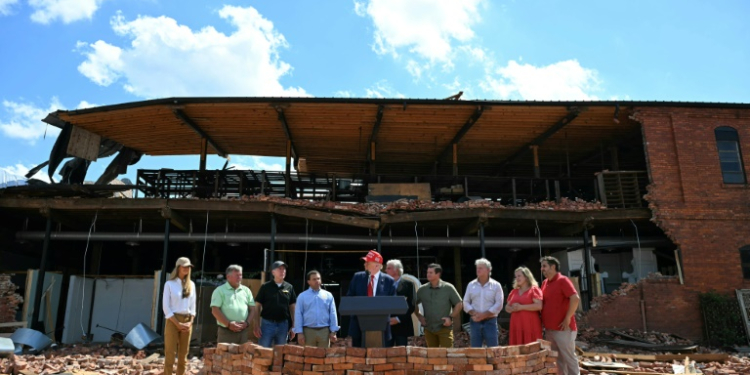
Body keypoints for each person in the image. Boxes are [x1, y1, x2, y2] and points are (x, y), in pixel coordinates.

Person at [347, 250, 396, 347]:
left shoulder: (388, 281)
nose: (365, 264)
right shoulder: (358, 277)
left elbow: (393, 302)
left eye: (367, 262)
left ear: (377, 265)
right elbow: (349, 298)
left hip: (381, 327)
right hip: (358, 325)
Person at [540, 256, 581, 375]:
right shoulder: (545, 283)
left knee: (569, 358)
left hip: (563, 329)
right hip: (550, 329)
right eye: (542, 266)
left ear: (553, 267)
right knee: (558, 360)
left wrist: (568, 317)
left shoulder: (563, 280)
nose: (542, 269)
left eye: (544, 266)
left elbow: (575, 298)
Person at [414, 264, 462, 348]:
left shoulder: (448, 288)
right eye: (427, 272)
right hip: (429, 328)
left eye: (431, 272)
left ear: (438, 274)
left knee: (447, 355)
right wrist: (419, 316)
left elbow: (459, 303)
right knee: (432, 356)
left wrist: (450, 317)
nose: (428, 274)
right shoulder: (422, 289)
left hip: (444, 327)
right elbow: (413, 303)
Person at [162, 257, 196, 375]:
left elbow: (193, 306)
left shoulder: (191, 284)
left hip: (187, 320)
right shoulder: (169, 284)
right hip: (172, 320)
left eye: (188, 267)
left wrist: (190, 322)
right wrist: (177, 323)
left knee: (183, 356)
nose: (187, 268)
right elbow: (166, 307)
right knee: (170, 354)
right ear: (178, 268)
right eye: (184, 266)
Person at [253, 261, 297, 348]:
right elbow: (257, 306)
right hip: (267, 325)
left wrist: (294, 325)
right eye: (279, 269)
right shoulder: (265, 287)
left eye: (284, 269)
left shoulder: (289, 287)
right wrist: (256, 325)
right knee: (263, 352)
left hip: (283, 325)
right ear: (273, 272)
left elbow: (292, 307)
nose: (282, 271)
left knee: (280, 353)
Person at [463, 258, 504, 347]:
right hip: (475, 322)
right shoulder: (471, 285)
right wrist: (474, 313)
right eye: (477, 268)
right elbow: (465, 302)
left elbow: (499, 304)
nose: (478, 270)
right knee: (476, 351)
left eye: (481, 268)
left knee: (493, 350)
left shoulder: (496, 285)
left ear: (488, 270)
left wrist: (484, 315)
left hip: (490, 322)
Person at [294, 270, 339, 348]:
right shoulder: (302, 296)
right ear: (308, 281)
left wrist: (333, 331)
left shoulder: (328, 295)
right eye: (314, 279)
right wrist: (299, 333)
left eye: (318, 279)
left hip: (324, 331)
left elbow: (333, 313)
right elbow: (298, 315)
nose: (317, 281)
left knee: (323, 357)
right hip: (308, 331)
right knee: (308, 357)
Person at [211, 265, 255, 344]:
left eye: (240, 275)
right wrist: (228, 324)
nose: (239, 277)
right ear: (228, 277)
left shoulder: (246, 290)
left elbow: (252, 309)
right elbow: (215, 310)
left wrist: (247, 323)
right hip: (226, 332)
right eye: (237, 275)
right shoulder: (220, 291)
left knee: (242, 356)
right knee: (225, 355)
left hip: (243, 331)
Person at [506, 266, 543, 345]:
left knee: (531, 349)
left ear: (526, 277)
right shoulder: (514, 292)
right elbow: (506, 307)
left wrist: (521, 307)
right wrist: (512, 308)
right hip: (516, 325)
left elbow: (539, 306)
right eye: (516, 277)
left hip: (530, 325)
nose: (517, 278)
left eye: (519, 276)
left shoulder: (533, 290)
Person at [385, 259, 415, 347]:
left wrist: (398, 319)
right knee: (384, 354)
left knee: (402, 355)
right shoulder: (382, 285)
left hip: (402, 326)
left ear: (396, 270)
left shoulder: (408, 285)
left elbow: (411, 305)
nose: (386, 270)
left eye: (389, 268)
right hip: (387, 326)